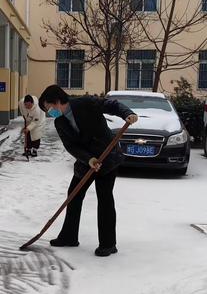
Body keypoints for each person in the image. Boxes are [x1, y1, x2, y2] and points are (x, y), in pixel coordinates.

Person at [38, 85, 138, 257]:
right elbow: (71, 146)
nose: (49, 113)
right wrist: (89, 159)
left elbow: (111, 105)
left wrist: (127, 113)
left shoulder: (85, 103)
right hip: (87, 161)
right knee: (74, 195)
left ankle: (108, 244)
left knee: (104, 197)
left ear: (57, 101)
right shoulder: (60, 122)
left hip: (107, 156)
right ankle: (69, 237)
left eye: (48, 108)